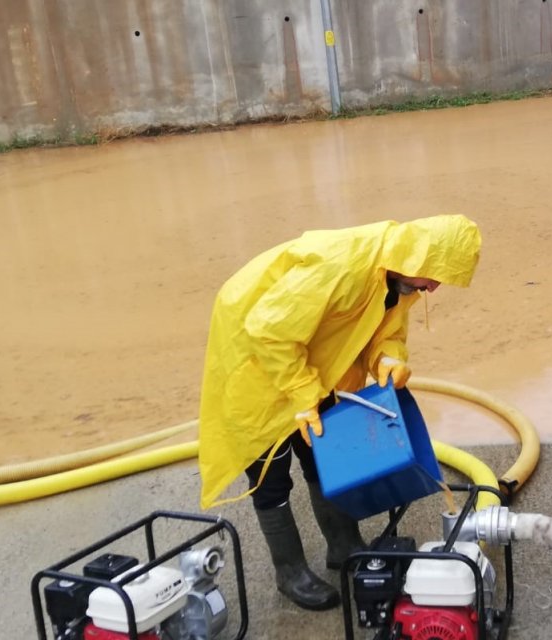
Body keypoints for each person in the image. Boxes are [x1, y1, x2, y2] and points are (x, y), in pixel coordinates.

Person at [197, 214, 482, 611]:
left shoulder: (397, 280)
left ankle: (344, 545)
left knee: (325, 454)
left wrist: (387, 359)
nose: (433, 287)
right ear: (416, 258)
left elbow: (386, 332)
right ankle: (290, 572)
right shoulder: (342, 268)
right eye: (433, 277)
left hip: (315, 361)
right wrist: (302, 390)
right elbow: (269, 330)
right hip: (256, 359)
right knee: (271, 474)